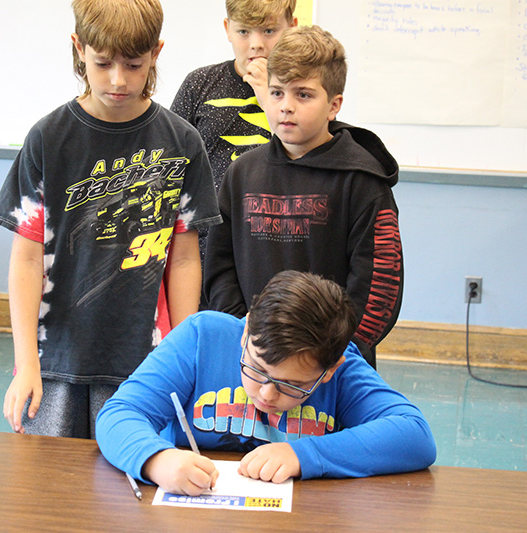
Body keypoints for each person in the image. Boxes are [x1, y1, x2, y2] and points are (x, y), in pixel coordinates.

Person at [0, 0, 221, 439]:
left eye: (134, 64)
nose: (118, 79)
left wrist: (182, 358)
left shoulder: (182, 141)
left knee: (133, 485)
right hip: (56, 357)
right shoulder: (48, 138)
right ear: (79, 48)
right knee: (51, 486)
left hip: (145, 358)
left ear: (156, 52)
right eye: (102, 62)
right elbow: (26, 259)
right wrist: (27, 363)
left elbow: (186, 259)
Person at [96, 271, 435, 496]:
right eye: (256, 369)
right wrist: (157, 460)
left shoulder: (341, 368)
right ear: (246, 334)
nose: (266, 393)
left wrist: (304, 454)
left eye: (292, 385)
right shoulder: (202, 337)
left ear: (329, 370)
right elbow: (120, 414)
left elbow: (414, 436)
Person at [204, 25, 403, 369]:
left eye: (304, 95)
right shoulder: (241, 174)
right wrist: (246, 335)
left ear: (334, 105)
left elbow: (378, 289)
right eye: (277, 92)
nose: (286, 107)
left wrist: (332, 356)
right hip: (253, 358)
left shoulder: (363, 183)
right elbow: (220, 268)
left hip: (332, 366)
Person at [170, 0, 298, 273]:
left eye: (269, 31)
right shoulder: (200, 84)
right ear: (227, 29)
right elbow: (171, 162)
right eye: (244, 32)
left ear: (292, 28)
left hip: (273, 243)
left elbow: (302, 157)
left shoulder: (302, 92)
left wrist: (269, 96)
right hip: (204, 245)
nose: (256, 44)